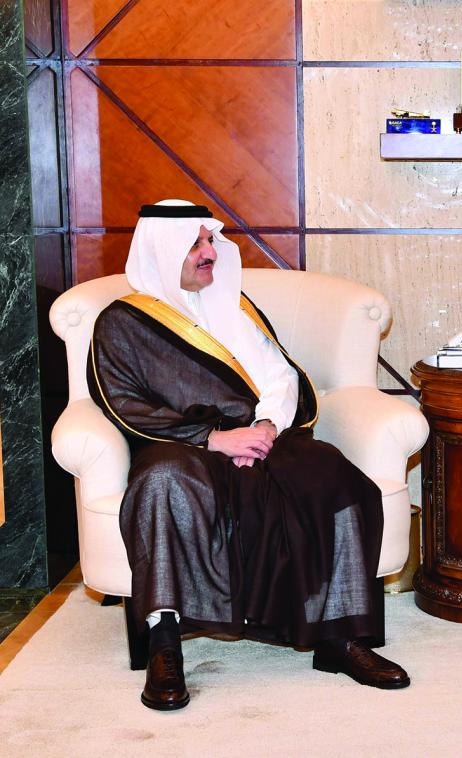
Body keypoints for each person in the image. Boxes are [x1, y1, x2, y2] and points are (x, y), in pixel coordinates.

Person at [88, 200, 410, 711]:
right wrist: (216, 438)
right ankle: (164, 645)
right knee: (162, 484)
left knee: (334, 476)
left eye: (210, 241)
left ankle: (339, 635)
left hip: (262, 437)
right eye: (195, 244)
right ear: (161, 251)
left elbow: (280, 376)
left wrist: (264, 427)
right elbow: (124, 403)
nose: (210, 253)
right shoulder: (122, 323)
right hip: (181, 445)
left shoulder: (234, 304)